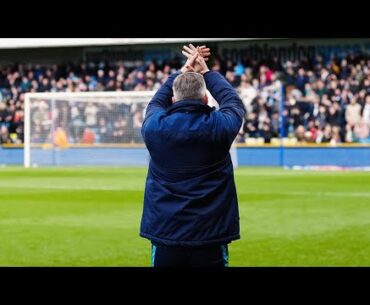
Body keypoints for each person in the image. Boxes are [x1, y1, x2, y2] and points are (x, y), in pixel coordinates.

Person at [140, 45, 245, 267]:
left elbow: (155, 102)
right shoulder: (219, 126)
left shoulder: (154, 128)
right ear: (206, 99)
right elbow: (233, 102)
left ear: (174, 100)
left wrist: (181, 72)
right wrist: (206, 73)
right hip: (211, 236)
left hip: (165, 234)